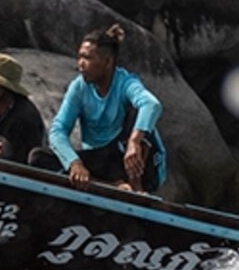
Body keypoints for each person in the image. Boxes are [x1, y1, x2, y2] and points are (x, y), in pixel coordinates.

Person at [47, 24, 165, 195]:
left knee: (137, 113)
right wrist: (74, 163)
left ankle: (135, 187)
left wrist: (134, 141)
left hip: (130, 161)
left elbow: (152, 105)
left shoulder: (125, 82)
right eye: (79, 57)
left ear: (107, 61)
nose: (81, 64)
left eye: (87, 58)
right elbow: (58, 130)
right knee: (38, 157)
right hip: (100, 164)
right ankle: (113, 186)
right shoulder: (79, 87)